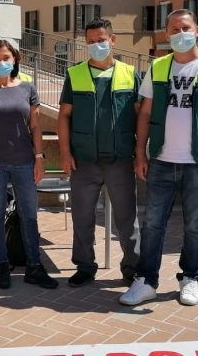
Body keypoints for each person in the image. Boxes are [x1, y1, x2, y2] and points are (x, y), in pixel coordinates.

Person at [121, 9, 198, 307]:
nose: (180, 33)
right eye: (173, 29)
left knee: (195, 225)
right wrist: (140, 153)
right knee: (151, 224)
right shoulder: (158, 66)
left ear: (197, 30)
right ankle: (146, 280)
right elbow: (146, 112)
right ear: (166, 34)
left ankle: (190, 278)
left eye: (185, 27)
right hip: (162, 158)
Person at [57, 18, 142, 287]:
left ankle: (132, 267)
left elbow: (142, 116)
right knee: (82, 217)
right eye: (91, 41)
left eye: (101, 40)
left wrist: (141, 154)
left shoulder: (131, 73)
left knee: (127, 218)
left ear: (113, 40)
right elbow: (63, 117)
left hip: (121, 159)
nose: (97, 45)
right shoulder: (75, 74)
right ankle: (85, 266)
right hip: (84, 160)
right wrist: (64, 152)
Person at [0, 39, 58, 289]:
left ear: (15, 60)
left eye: (6, 58)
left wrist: (39, 159)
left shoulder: (28, 89)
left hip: (24, 163)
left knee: (29, 217)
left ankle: (34, 266)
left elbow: (35, 126)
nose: (2, 62)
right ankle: (2, 264)